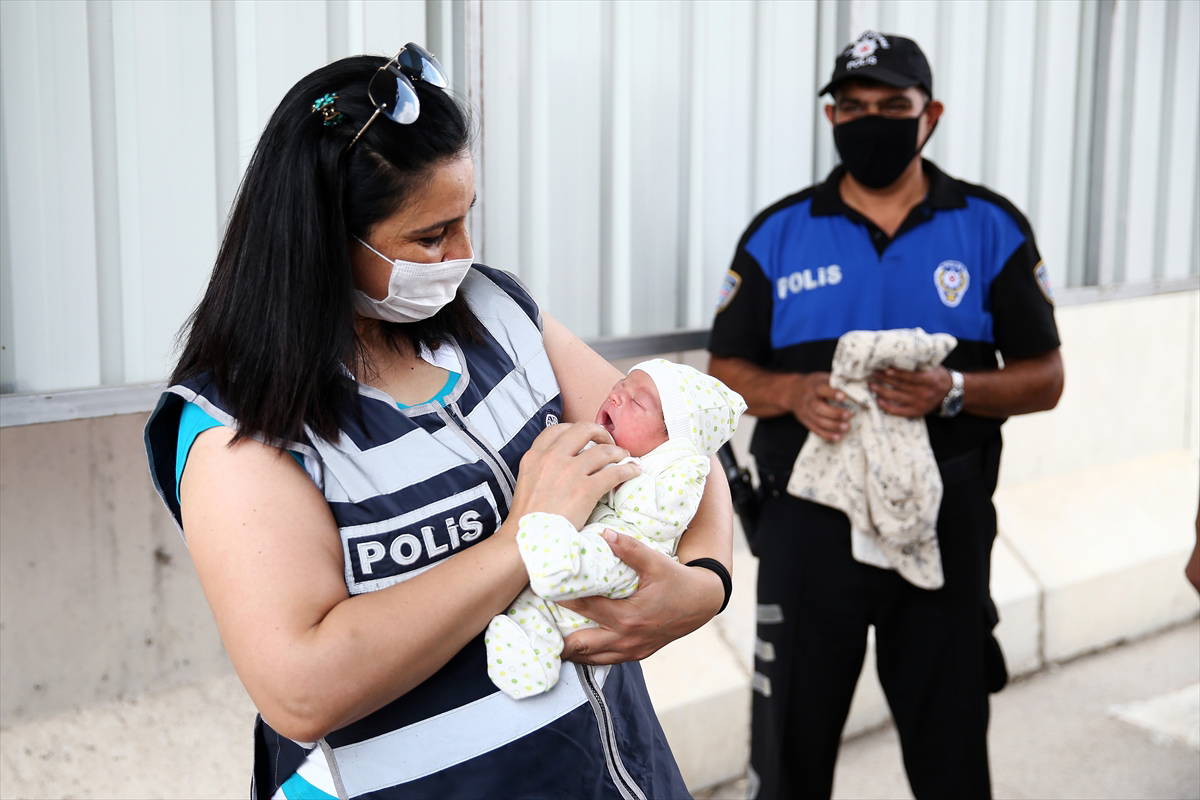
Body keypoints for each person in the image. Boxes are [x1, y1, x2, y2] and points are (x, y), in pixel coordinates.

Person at [144, 45, 733, 800]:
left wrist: (704, 584)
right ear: (326, 243)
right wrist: (523, 540)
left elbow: (680, 439)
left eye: (466, 220)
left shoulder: (499, 314)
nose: (463, 255)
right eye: (430, 237)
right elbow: (300, 688)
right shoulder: (241, 430)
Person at [707, 30, 1064, 800]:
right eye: (852, 106)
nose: (869, 119)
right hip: (806, 523)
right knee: (792, 741)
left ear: (928, 114)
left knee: (950, 747)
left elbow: (1046, 378)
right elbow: (725, 372)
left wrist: (957, 390)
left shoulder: (989, 227)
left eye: (891, 106)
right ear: (831, 115)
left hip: (946, 517)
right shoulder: (778, 234)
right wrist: (791, 393)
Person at [486, 360, 746, 698]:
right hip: (587, 559)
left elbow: (657, 517)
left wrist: (619, 471)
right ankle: (531, 660)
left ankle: (560, 564)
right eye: (619, 386)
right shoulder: (613, 447)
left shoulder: (682, 469)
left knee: (600, 550)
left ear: (673, 440)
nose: (617, 395)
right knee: (533, 607)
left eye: (637, 401)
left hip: (626, 554)